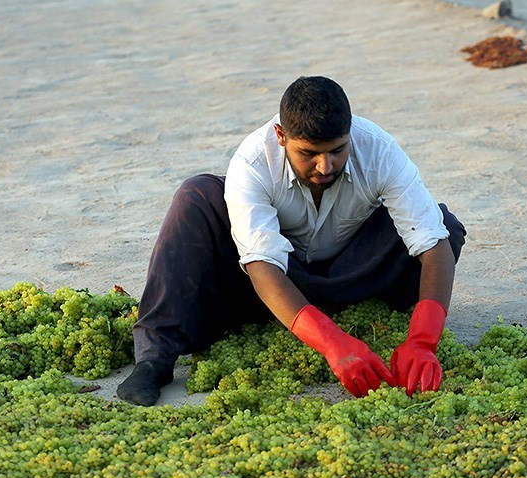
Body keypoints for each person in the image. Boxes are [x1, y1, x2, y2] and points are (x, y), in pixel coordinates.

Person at [117, 76, 467, 406]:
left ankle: (351, 322)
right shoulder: (253, 161)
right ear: (281, 135)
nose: (325, 166)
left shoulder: (379, 149)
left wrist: (423, 341)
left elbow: (431, 241)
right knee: (196, 194)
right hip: (264, 286)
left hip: (351, 274)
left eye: (337, 150)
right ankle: (154, 360)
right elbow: (261, 265)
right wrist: (332, 343)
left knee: (445, 226)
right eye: (310, 153)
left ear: (350, 134)